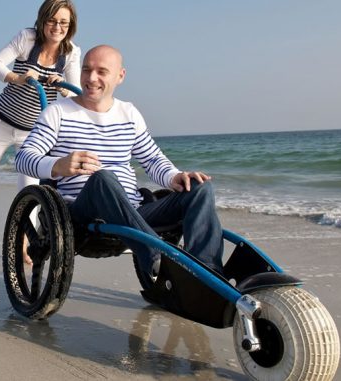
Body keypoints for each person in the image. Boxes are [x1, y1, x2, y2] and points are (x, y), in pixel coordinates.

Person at [14, 45, 224, 282]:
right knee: (103, 178)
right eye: (86, 70)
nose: (92, 78)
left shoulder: (129, 113)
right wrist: (58, 165)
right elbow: (23, 158)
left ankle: (208, 276)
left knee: (199, 187)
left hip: (133, 210)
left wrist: (174, 176)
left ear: (120, 76)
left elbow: (152, 158)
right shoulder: (58, 112)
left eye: (102, 71)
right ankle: (158, 258)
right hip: (81, 213)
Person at [0, 0, 81, 227]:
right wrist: (17, 78)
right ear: (43, 20)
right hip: (2, 122)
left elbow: (75, 97)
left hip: (34, 133)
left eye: (63, 22)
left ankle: (24, 239)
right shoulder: (27, 38)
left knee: (30, 190)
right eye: (52, 21)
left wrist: (62, 85)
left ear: (70, 25)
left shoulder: (71, 52)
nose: (57, 27)